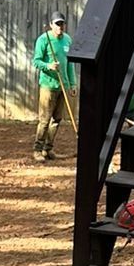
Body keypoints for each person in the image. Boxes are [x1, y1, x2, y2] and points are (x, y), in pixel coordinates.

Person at [31, 12, 76, 161]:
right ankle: (37, 149)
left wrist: (72, 84)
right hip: (48, 86)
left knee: (57, 119)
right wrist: (49, 66)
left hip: (62, 86)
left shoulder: (67, 40)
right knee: (44, 119)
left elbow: (70, 64)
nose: (60, 27)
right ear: (51, 25)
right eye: (57, 24)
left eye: (62, 23)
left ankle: (47, 149)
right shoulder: (43, 40)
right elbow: (36, 61)